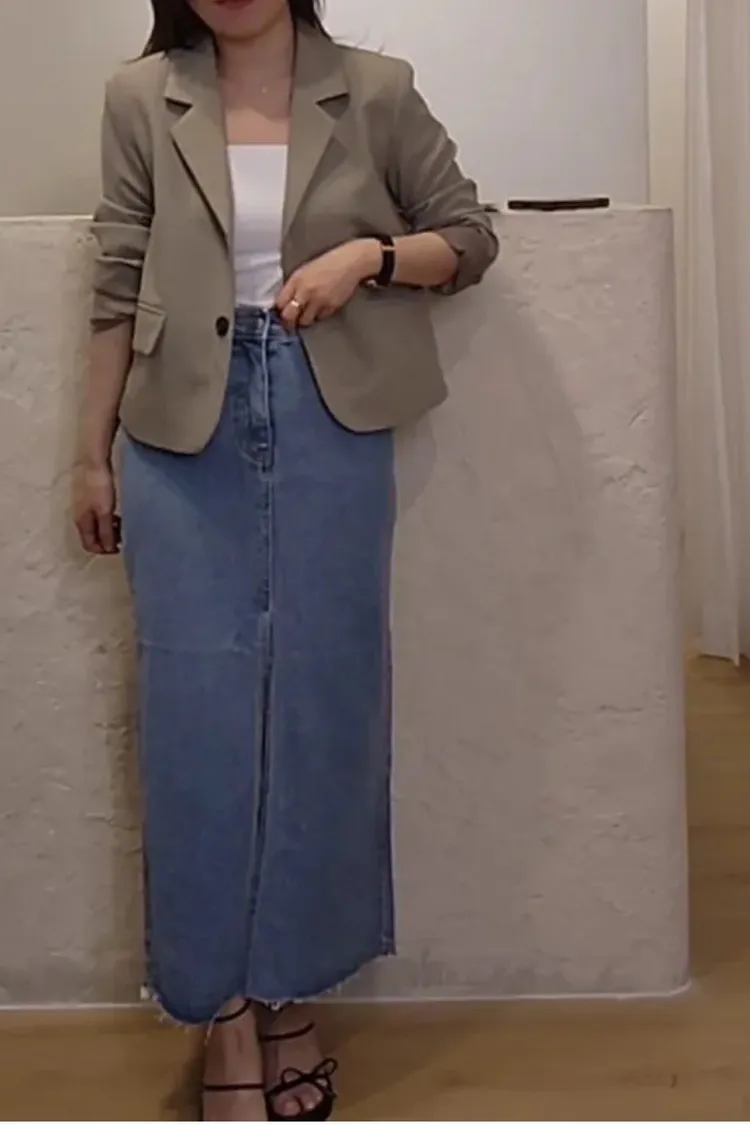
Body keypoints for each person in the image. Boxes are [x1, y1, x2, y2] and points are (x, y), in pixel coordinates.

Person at [74, 0, 498, 1118]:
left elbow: (469, 238)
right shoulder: (142, 96)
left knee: (323, 708)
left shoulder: (376, 89)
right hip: (179, 435)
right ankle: (220, 1011)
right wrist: (89, 456)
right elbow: (116, 277)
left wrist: (366, 256)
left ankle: (291, 993)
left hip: (329, 412)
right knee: (195, 723)